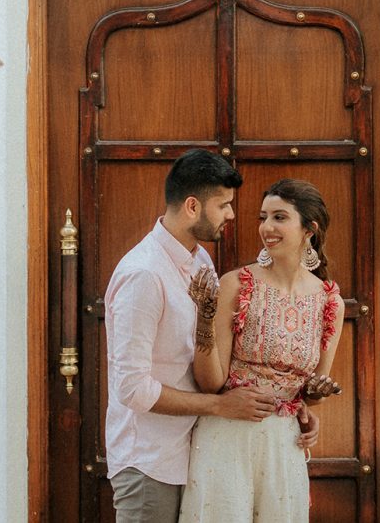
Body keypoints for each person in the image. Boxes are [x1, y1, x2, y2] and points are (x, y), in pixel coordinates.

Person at [104, 151, 319, 523]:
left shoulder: (200, 260)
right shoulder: (143, 275)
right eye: (223, 206)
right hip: (150, 462)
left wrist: (293, 405)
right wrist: (220, 407)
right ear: (192, 206)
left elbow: (217, 358)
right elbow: (132, 389)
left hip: (198, 451)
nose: (232, 216)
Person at [179, 178, 345, 523]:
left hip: (284, 446)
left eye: (280, 217)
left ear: (309, 229)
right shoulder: (236, 284)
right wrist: (204, 320)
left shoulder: (329, 301)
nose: (267, 227)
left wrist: (315, 398)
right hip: (227, 437)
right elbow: (211, 382)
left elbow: (313, 391)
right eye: (263, 217)